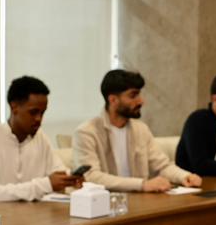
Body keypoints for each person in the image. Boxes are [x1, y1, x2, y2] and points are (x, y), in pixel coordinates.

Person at [73, 69, 201, 192]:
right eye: (133, 95)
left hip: (140, 201)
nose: (141, 101)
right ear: (113, 100)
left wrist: (185, 176)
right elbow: (91, 177)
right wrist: (142, 185)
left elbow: (162, 167)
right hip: (104, 204)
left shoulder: (141, 129)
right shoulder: (86, 132)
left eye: (139, 94)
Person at [0, 76, 81, 204]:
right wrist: (45, 185)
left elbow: (57, 171)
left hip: (30, 216)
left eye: (42, 113)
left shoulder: (40, 137)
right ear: (14, 107)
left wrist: (70, 178)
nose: (39, 119)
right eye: (33, 112)